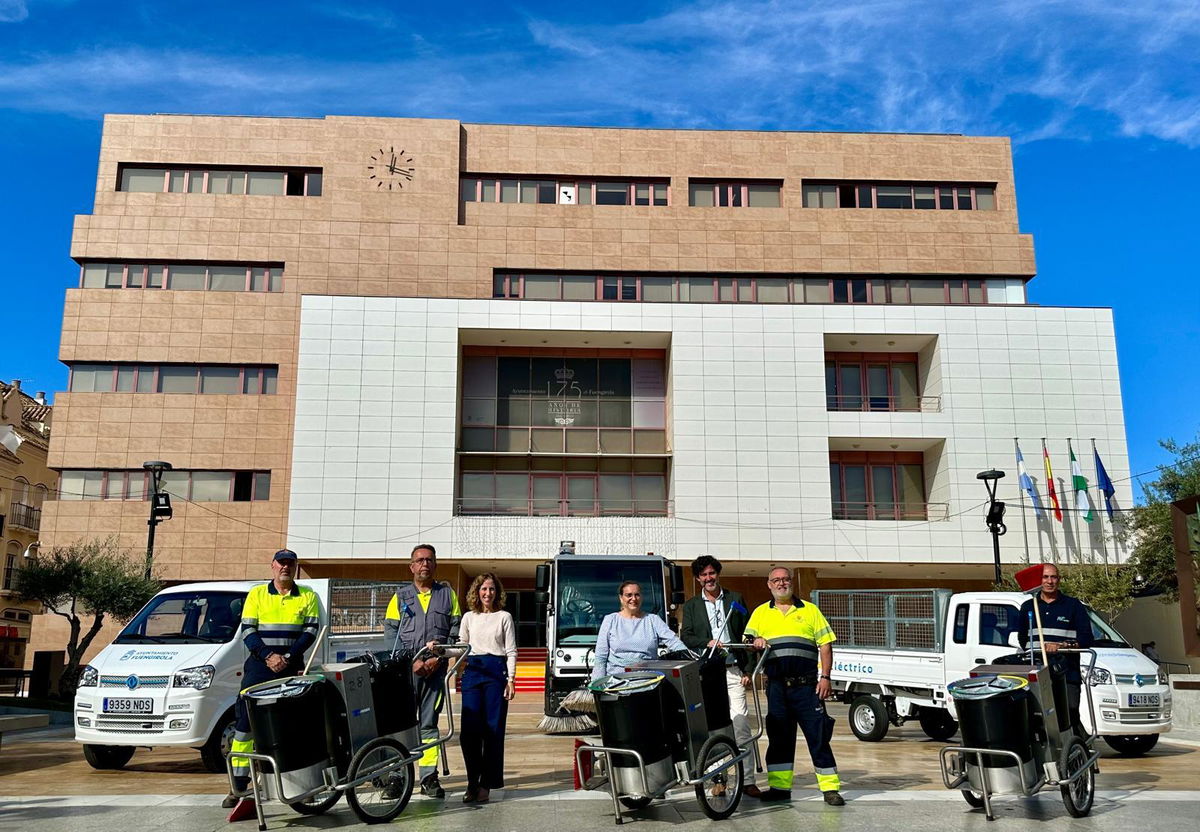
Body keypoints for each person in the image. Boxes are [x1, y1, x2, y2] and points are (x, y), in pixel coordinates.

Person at [225, 549, 320, 812]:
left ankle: (298, 785)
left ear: (296, 567)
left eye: (290, 564)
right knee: (245, 725)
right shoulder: (257, 594)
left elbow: (311, 631)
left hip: (291, 669)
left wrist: (287, 657)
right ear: (273, 566)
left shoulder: (308, 596)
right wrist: (268, 656)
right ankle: (238, 786)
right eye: (281, 563)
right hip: (259, 668)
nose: (285, 568)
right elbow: (248, 630)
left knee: (292, 727)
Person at [744, 567, 843, 806]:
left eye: (785, 579)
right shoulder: (760, 613)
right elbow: (747, 643)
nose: (781, 583)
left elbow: (826, 646)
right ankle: (779, 788)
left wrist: (826, 677)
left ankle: (830, 789)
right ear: (769, 585)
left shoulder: (810, 610)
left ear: (791, 582)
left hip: (807, 687)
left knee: (818, 737)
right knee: (779, 739)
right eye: (776, 580)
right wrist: (754, 642)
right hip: (777, 687)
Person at [384, 544, 462, 799]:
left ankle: (429, 778)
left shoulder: (448, 595)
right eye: (420, 560)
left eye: (429, 560)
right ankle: (398, 777)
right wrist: (410, 663)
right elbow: (390, 635)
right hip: (406, 674)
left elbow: (455, 632)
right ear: (412, 566)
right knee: (401, 725)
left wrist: (438, 660)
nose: (424, 564)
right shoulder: (400, 596)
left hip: (435, 672)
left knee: (428, 726)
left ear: (435, 564)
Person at [680, 555, 754, 788]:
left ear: (717, 574)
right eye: (704, 575)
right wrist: (707, 642)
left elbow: (748, 634)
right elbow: (687, 637)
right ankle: (717, 779)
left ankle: (748, 780)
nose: (708, 578)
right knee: (712, 728)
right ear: (698, 578)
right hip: (709, 674)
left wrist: (749, 670)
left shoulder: (735, 599)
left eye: (712, 573)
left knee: (740, 726)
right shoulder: (692, 605)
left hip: (733, 671)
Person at [458, 573, 517, 804]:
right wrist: (440, 650)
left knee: (493, 731)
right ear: (477, 591)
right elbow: (460, 647)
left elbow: (511, 650)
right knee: (469, 733)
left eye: (492, 589)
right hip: (473, 671)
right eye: (484, 589)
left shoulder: (504, 617)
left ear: (497, 592)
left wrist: (511, 679)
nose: (487, 593)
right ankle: (472, 781)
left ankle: (486, 784)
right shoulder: (468, 618)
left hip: (496, 671)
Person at [1016, 563, 1094, 737]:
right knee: (1038, 716)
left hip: (1066, 671)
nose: (1049, 581)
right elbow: (1023, 639)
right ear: (1039, 580)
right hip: (1037, 672)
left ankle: (1079, 751)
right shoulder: (1028, 607)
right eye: (1045, 577)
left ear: (1059, 579)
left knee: (1069, 711)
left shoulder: (1073, 606)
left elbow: (1087, 638)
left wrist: (1062, 646)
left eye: (1053, 577)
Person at [591, 580, 686, 679]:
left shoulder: (653, 620)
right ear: (621, 598)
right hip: (617, 681)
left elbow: (674, 642)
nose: (633, 598)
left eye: (637, 595)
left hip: (648, 680)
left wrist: (689, 658)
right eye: (629, 595)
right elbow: (600, 658)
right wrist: (597, 686)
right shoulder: (610, 620)